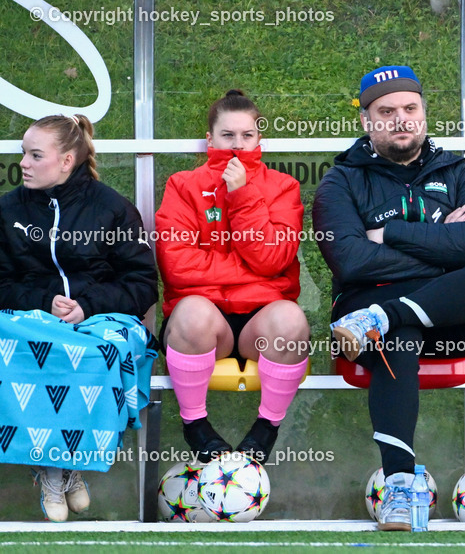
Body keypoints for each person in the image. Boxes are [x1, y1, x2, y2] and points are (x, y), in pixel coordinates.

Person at [313, 65, 465, 531]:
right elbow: (350, 261)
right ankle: (401, 488)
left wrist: (389, 233)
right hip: (366, 312)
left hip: (448, 322)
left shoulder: (458, 171)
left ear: (425, 114)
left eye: (410, 109)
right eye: (386, 112)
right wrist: (443, 254)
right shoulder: (340, 182)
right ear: (367, 121)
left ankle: (384, 317)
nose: (400, 119)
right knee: (400, 337)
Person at [0, 114, 158, 522]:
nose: (24, 164)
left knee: (95, 350)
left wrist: (86, 305)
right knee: (22, 342)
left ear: (67, 160)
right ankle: (58, 469)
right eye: (24, 154)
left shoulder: (114, 208)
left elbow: (142, 286)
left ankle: (59, 466)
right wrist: (43, 301)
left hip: (102, 317)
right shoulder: (6, 210)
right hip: (30, 316)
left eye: (36, 155)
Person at [155, 90, 309, 465]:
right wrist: (252, 273)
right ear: (210, 140)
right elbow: (177, 267)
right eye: (228, 136)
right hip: (207, 325)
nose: (238, 146)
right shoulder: (183, 184)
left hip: (261, 321)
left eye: (247, 135)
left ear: (260, 140)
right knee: (192, 311)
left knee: (292, 319)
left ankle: (267, 427)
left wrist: (241, 196)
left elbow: (273, 257)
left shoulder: (283, 187)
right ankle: (195, 424)